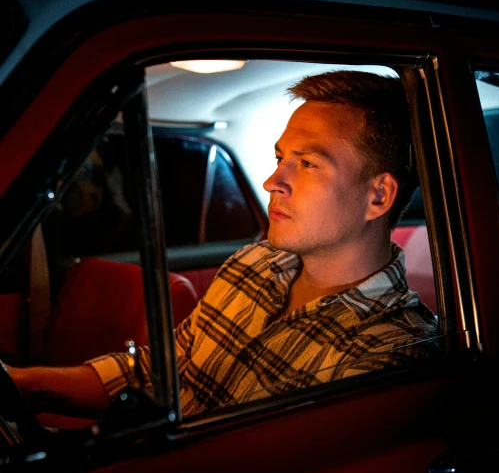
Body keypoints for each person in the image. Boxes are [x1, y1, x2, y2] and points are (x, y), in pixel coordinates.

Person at [7, 69, 438, 422]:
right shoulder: (253, 264)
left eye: (307, 164)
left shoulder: (393, 350)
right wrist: (26, 385)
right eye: (279, 158)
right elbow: (165, 373)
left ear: (378, 196)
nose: (272, 182)